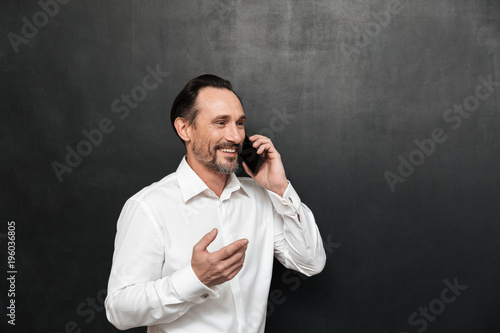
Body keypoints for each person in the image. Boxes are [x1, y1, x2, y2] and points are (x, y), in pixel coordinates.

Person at [105, 74, 326, 333]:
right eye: (221, 122)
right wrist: (195, 279)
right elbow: (119, 310)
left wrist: (279, 188)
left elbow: (311, 262)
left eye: (240, 123)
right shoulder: (148, 206)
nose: (235, 136)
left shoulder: (261, 197)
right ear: (184, 129)